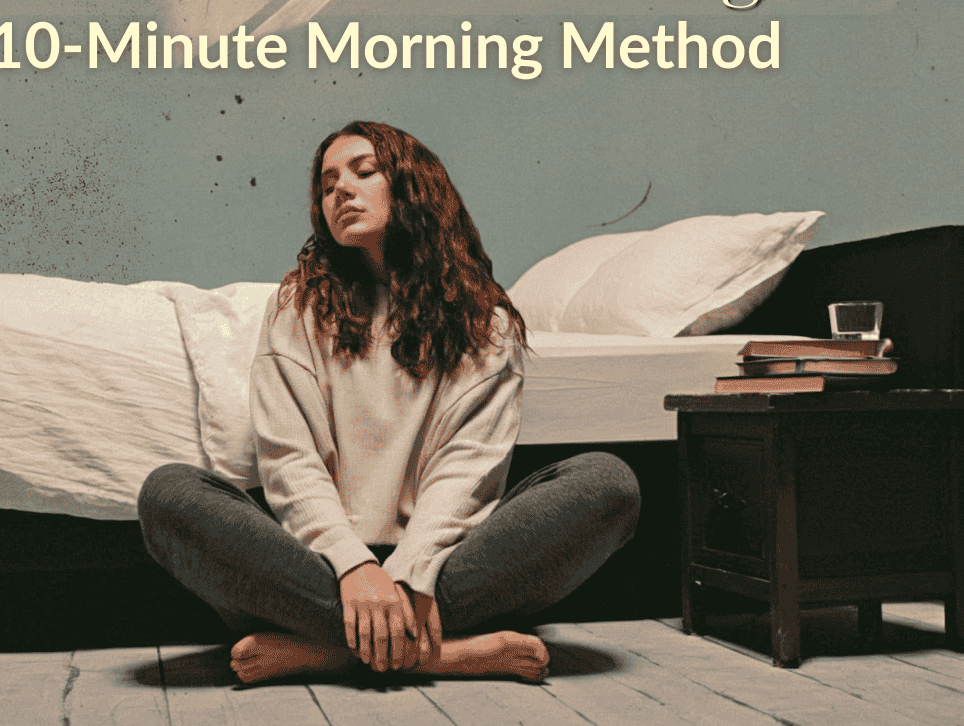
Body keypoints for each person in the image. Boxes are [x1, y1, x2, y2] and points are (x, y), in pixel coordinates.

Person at [138, 121, 639, 683]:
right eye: (328, 184)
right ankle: (444, 654)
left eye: (363, 171)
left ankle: (323, 651)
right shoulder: (295, 308)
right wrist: (353, 565)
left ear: (412, 185)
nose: (341, 191)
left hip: (441, 570)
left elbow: (467, 469)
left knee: (607, 483)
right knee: (168, 493)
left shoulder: (485, 323)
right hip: (316, 568)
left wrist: (409, 574)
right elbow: (288, 459)